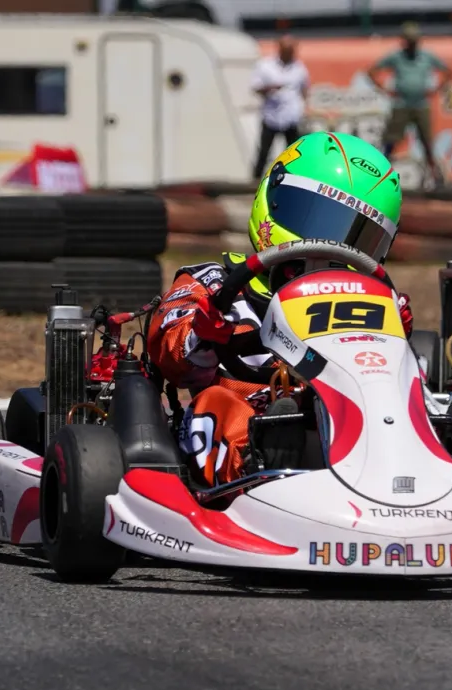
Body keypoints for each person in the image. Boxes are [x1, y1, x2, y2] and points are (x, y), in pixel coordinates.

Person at [148, 131, 412, 487]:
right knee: (215, 404)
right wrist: (203, 334)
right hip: (252, 419)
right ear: (274, 199)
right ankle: (258, 469)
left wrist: (393, 333)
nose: (331, 245)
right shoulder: (214, 283)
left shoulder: (366, 300)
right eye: (317, 221)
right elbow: (170, 353)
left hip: (348, 412)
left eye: (357, 238)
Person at [367, 22, 452, 187]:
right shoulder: (396, 56)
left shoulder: (427, 56)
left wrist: (436, 89)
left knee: (427, 141)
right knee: (391, 141)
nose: (412, 45)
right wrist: (385, 89)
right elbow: (372, 71)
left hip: (421, 104)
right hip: (401, 104)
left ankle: (436, 178)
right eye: (409, 41)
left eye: (414, 41)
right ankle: (378, 176)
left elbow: (448, 71)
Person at [250, 34, 310, 181]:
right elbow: (255, 87)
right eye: (286, 50)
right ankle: (256, 180)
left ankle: (294, 179)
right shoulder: (265, 65)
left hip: (291, 116)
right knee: (264, 151)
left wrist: (304, 107)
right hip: (271, 115)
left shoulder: (299, 68)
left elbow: (304, 89)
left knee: (293, 152)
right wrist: (271, 88)